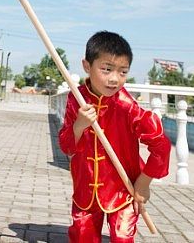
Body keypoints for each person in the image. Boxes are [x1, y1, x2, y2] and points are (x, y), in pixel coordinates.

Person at [58, 31, 171, 242]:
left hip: (123, 190)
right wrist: (78, 126)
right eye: (107, 69)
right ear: (87, 66)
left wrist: (144, 183)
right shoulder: (77, 99)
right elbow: (66, 147)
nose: (114, 79)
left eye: (122, 72)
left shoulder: (127, 106)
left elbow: (161, 145)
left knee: (121, 237)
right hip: (85, 189)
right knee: (82, 235)